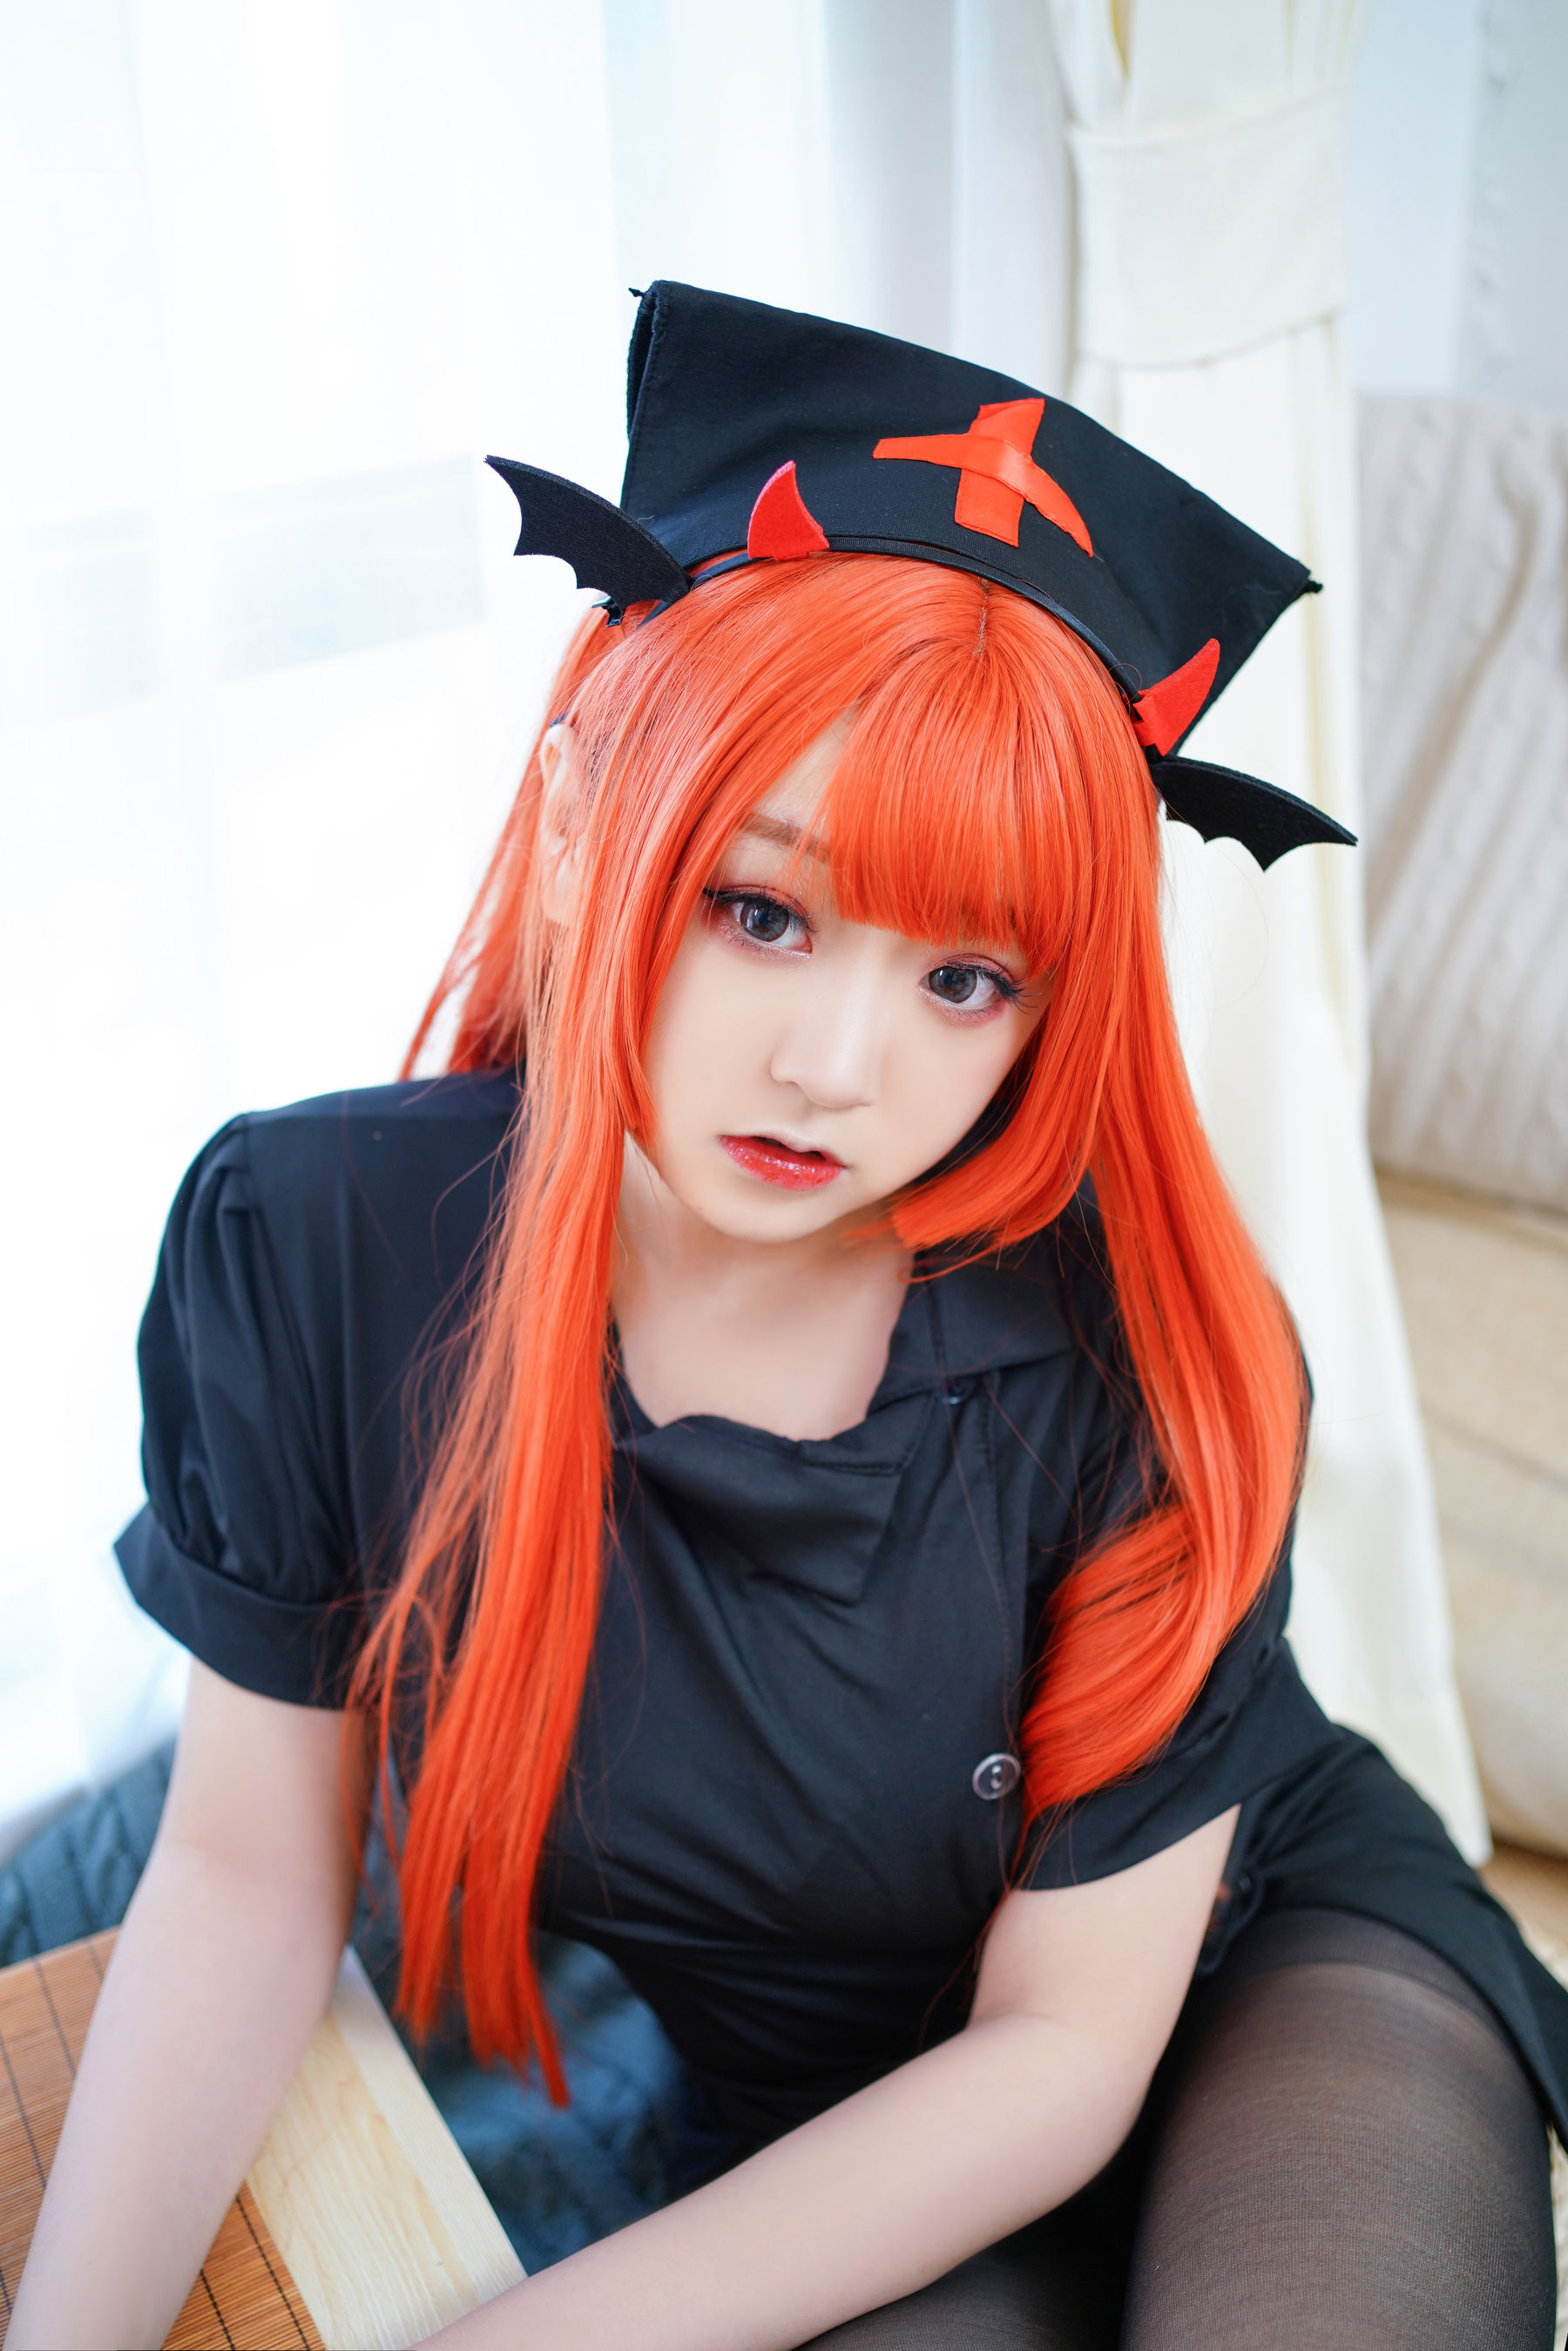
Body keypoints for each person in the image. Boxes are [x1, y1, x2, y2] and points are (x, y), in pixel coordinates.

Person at [11, 284, 1562, 2350]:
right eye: (763, 907)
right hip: (845, 2110)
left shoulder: (1138, 1364)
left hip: (1245, 1974)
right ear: (582, 818)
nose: (838, 1064)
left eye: (965, 977)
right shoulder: (310, 1246)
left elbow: (1062, 2051)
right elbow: (240, 1879)